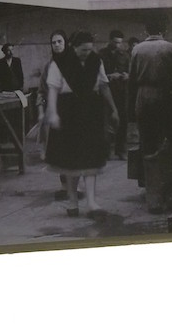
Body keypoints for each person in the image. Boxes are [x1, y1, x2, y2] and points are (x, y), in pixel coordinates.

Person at [43, 30, 119, 218]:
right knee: (71, 161)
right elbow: (52, 89)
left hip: (91, 112)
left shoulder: (95, 61)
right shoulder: (59, 63)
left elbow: (103, 85)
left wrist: (113, 109)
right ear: (73, 47)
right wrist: (52, 113)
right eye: (83, 50)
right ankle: (72, 201)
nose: (87, 53)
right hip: (68, 111)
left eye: (89, 50)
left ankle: (92, 203)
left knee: (91, 159)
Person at [127, 11, 172, 189]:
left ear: (146, 30)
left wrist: (130, 110)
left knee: (147, 143)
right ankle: (169, 186)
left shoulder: (136, 50)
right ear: (165, 29)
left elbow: (131, 82)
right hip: (165, 97)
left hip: (142, 97)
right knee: (168, 141)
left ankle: (152, 191)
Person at [98, 29, 130, 159]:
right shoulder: (101, 55)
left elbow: (130, 72)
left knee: (122, 121)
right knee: (105, 122)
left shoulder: (125, 55)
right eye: (115, 42)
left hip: (121, 92)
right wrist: (110, 76)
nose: (117, 45)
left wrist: (125, 75)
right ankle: (105, 151)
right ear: (110, 40)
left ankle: (121, 150)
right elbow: (97, 74)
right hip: (106, 92)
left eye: (120, 43)